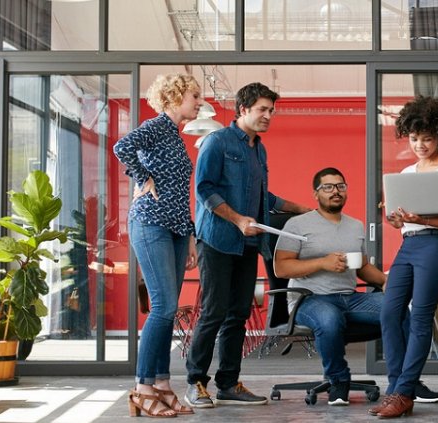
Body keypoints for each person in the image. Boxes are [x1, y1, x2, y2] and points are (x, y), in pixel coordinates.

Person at [184, 82, 310, 408]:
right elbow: (205, 189)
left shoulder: (259, 149)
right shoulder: (217, 142)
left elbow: (261, 197)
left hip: (249, 245)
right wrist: (239, 219)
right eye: (262, 110)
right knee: (213, 312)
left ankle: (228, 383)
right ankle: (195, 382)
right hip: (217, 240)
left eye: (271, 111)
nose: (268, 116)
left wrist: (297, 208)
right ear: (243, 110)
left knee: (239, 314)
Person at [371, 95, 438, 418]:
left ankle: (402, 392)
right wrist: (398, 220)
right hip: (410, 244)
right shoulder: (408, 172)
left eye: (427, 138)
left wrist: (421, 219)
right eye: (414, 138)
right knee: (389, 311)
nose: (420, 145)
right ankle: (399, 386)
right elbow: (401, 221)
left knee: (421, 316)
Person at [113, 73, 201, 418]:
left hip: (178, 228)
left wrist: (191, 236)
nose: (199, 101)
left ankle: (162, 384)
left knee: (168, 309)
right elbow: (121, 147)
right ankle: (142, 388)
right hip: (150, 223)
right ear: (174, 98)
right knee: (163, 307)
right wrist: (142, 177)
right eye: (194, 95)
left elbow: (182, 193)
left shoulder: (177, 137)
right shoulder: (157, 126)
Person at [274, 167, 387, 406]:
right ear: (316, 194)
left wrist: (387, 282)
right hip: (310, 299)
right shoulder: (297, 224)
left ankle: (405, 382)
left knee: (397, 308)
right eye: (328, 187)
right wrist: (322, 263)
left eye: (340, 186)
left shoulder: (355, 226)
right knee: (329, 319)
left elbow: (363, 267)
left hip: (350, 297)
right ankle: (339, 381)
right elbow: (281, 268)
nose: (335, 191)